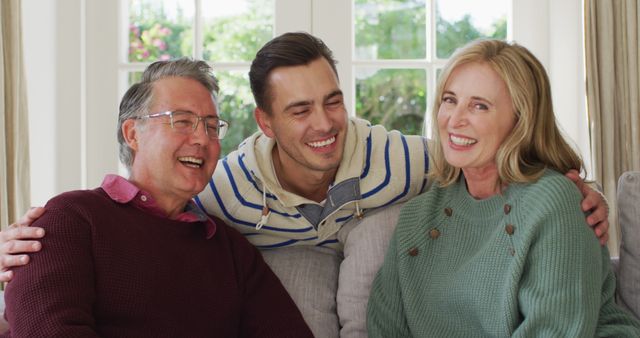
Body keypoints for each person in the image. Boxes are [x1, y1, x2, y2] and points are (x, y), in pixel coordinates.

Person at [1, 33, 611, 337]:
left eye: (210, 125)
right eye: (181, 121)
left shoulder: (402, 164)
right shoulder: (210, 195)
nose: (322, 126)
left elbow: (498, 170)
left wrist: (579, 190)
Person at [1, 58, 313, 337]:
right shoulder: (70, 218)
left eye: (211, 126)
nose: (203, 139)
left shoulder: (230, 250)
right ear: (133, 134)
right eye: (182, 121)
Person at [366, 39, 640, 336]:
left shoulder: (553, 201)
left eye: (479, 106)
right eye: (449, 100)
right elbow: (385, 328)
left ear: (521, 120)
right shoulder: (417, 217)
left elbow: (555, 331)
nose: (455, 120)